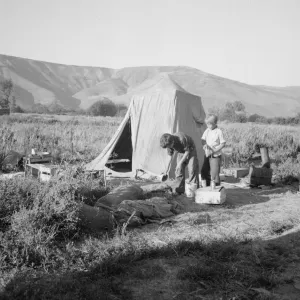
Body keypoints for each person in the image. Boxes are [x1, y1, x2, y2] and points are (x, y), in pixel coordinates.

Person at [201, 114, 226, 186]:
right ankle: (206, 187)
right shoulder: (207, 130)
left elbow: (223, 143)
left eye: (210, 124)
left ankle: (216, 189)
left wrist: (214, 150)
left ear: (215, 123)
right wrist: (204, 145)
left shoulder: (219, 131)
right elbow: (203, 139)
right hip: (207, 154)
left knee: (214, 173)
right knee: (204, 171)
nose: (208, 126)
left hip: (215, 155)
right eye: (207, 124)